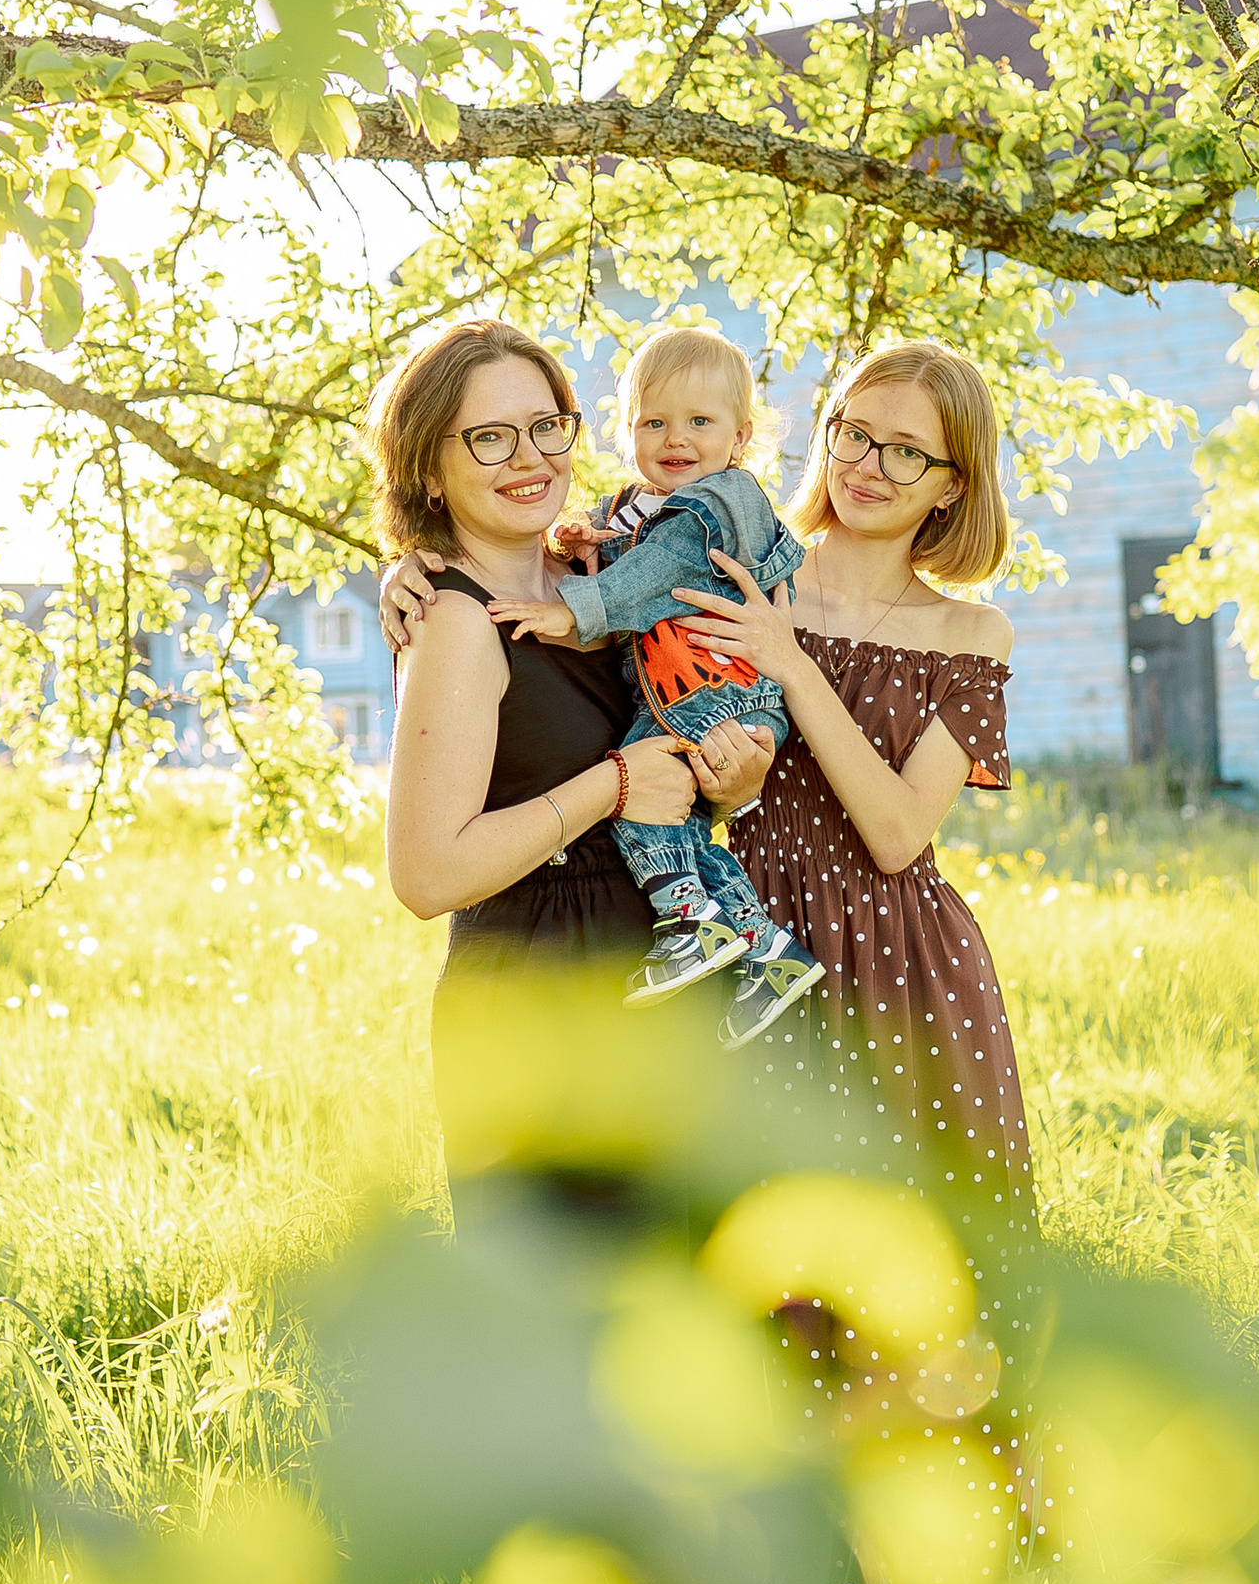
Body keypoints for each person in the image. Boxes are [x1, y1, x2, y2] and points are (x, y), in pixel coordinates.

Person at [385, 339, 1041, 1413]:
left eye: (906, 452)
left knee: (869, 1269)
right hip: (658, 962)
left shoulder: (640, 576)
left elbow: (822, 808)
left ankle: (916, 1539)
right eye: (853, 435)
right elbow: (605, 738)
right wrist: (413, 568)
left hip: (793, 962)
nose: (870, 464)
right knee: (674, 1303)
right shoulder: (660, 567)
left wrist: (738, 753)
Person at [372, 319, 754, 1157]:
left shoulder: (593, 577)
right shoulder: (453, 620)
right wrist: (614, 785)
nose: (530, 458)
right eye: (489, 438)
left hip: (650, 980)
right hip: (538, 1008)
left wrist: (733, 775)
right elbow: (427, 875)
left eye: (548, 427)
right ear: (428, 468)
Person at [484, 327, 826, 1045]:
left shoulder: (721, 501)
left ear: (740, 437)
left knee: (639, 805)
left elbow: (651, 573)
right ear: (626, 429)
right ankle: (768, 953)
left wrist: (568, 609)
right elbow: (617, 554)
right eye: (653, 422)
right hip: (688, 688)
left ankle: (686, 927)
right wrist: (582, 548)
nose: (676, 438)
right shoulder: (638, 505)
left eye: (700, 422)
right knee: (684, 828)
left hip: (720, 687)